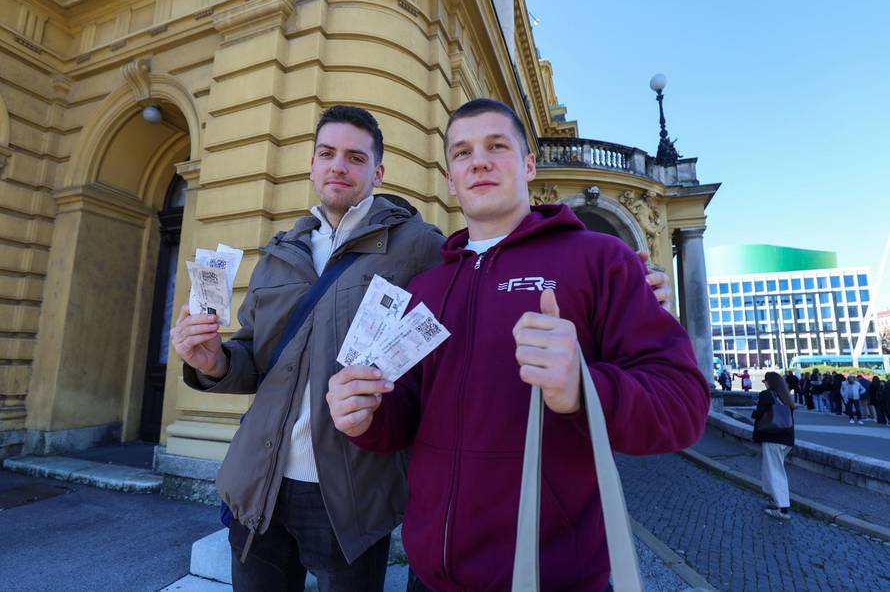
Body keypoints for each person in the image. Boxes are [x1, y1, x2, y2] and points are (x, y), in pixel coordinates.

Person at [169, 104, 673, 591]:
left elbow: (483, 278)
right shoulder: (280, 251)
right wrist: (213, 363)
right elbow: (255, 360)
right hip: (259, 482)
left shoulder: (418, 246)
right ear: (312, 164)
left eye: (355, 157)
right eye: (327, 154)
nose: (338, 167)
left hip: (348, 491)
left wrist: (622, 295)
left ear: (379, 172)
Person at [326, 98, 711, 591]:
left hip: (551, 578)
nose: (479, 162)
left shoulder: (601, 260)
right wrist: (365, 416)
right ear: (450, 179)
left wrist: (584, 388)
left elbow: (683, 405)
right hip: (429, 577)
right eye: (462, 153)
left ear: (529, 165)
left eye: (496, 146)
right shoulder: (426, 288)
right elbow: (408, 416)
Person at [751, 371, 795, 520]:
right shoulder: (786, 396)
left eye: (765, 381)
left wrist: (754, 413)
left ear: (770, 382)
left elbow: (759, 413)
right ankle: (774, 500)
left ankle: (782, 508)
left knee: (775, 472)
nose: (765, 384)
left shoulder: (766, 394)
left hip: (772, 438)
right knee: (773, 469)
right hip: (787, 439)